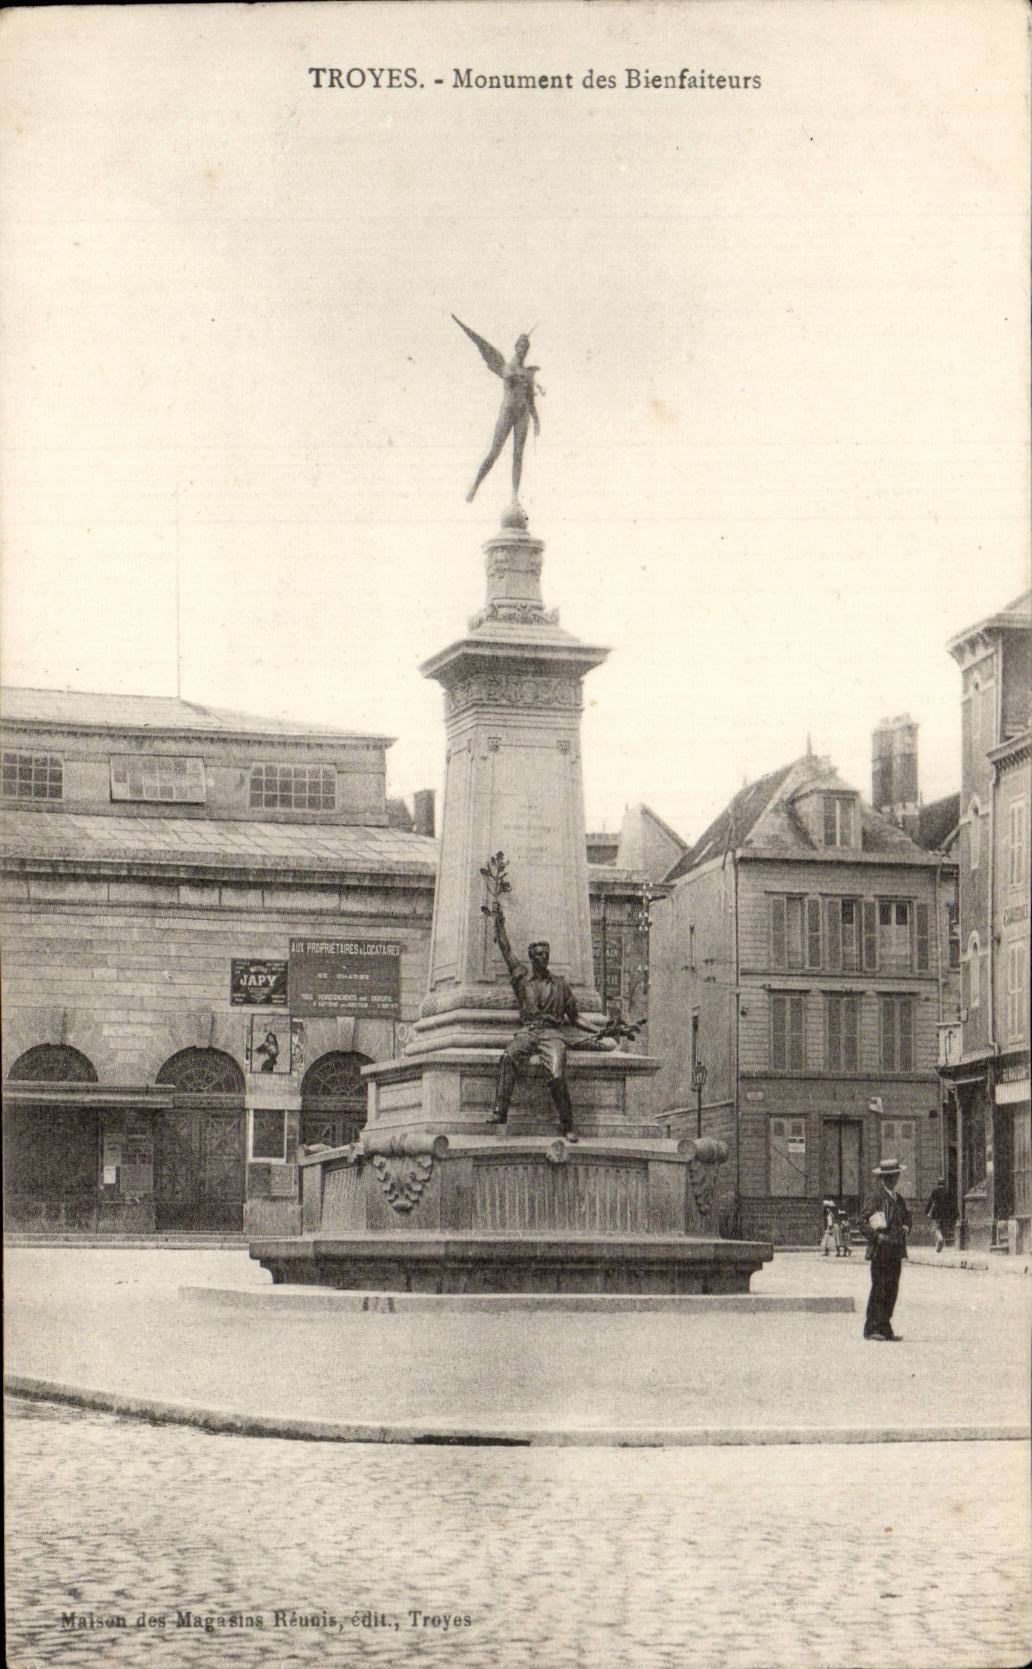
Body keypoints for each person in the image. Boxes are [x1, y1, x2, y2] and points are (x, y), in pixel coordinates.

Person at [488, 897, 613, 1141]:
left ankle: (568, 1124)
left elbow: (575, 1017)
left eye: (546, 954)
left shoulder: (561, 985)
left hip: (553, 1034)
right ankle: (500, 1112)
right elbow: (506, 950)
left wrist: (598, 1030)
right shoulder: (522, 979)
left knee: (556, 1073)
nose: (544, 958)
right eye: (539, 955)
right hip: (529, 1031)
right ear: (532, 958)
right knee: (508, 1056)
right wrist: (498, 922)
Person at [452, 316, 541, 503]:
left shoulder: (528, 373)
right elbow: (508, 374)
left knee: (518, 455)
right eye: (521, 345)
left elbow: (531, 399)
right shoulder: (505, 366)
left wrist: (537, 420)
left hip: (522, 413)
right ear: (516, 346)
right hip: (507, 411)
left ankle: (515, 496)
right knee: (494, 452)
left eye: (526, 347)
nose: (523, 349)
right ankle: (475, 485)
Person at [858, 1158, 912, 1341]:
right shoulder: (876, 1198)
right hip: (880, 1252)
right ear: (882, 1179)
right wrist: (876, 1236)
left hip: (895, 1252)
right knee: (879, 1289)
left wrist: (906, 1226)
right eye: (888, 1177)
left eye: (894, 1176)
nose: (892, 1179)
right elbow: (862, 1222)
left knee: (892, 1290)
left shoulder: (899, 1199)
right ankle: (872, 1328)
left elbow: (907, 1218)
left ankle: (885, 1328)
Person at [925, 1175, 951, 1253]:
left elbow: (930, 1201)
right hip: (945, 1213)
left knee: (935, 1228)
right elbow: (950, 1203)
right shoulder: (947, 1191)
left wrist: (927, 1210)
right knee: (942, 1228)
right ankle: (938, 1247)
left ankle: (940, 1240)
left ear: (938, 1183)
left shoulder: (935, 1191)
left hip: (936, 1212)